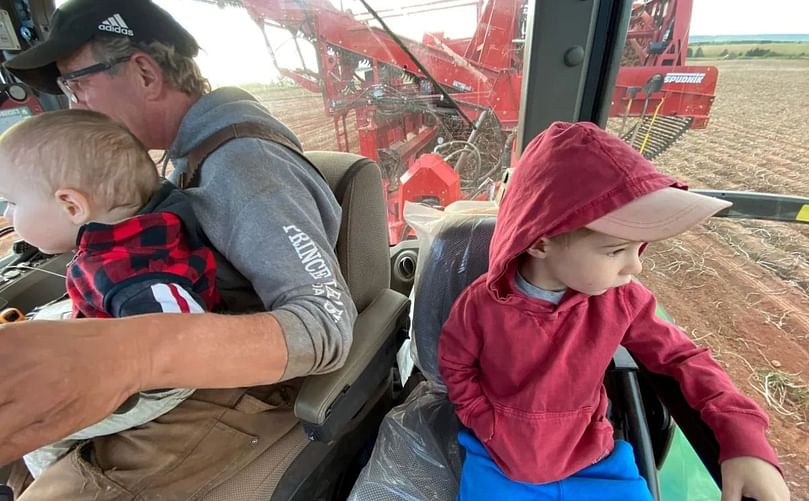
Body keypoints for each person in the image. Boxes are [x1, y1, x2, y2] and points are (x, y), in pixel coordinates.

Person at [1, 0, 356, 498]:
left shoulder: (244, 164)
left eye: (75, 83)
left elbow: (324, 327)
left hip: (237, 391)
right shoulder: (186, 159)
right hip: (194, 373)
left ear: (145, 74)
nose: (74, 105)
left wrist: (132, 354)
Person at [438, 121, 791, 501]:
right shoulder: (481, 305)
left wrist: (742, 438)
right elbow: (456, 365)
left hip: (594, 462)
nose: (635, 267)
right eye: (615, 251)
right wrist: (485, 422)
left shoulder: (621, 300)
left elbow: (684, 359)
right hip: (497, 461)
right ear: (540, 243)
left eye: (637, 248)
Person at [0, 109, 220, 479]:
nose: (8, 214)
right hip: (122, 338)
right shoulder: (121, 238)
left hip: (164, 383)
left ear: (72, 205)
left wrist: (113, 379)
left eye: (13, 202)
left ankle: (64, 481)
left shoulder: (130, 272)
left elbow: (185, 337)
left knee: (37, 428)